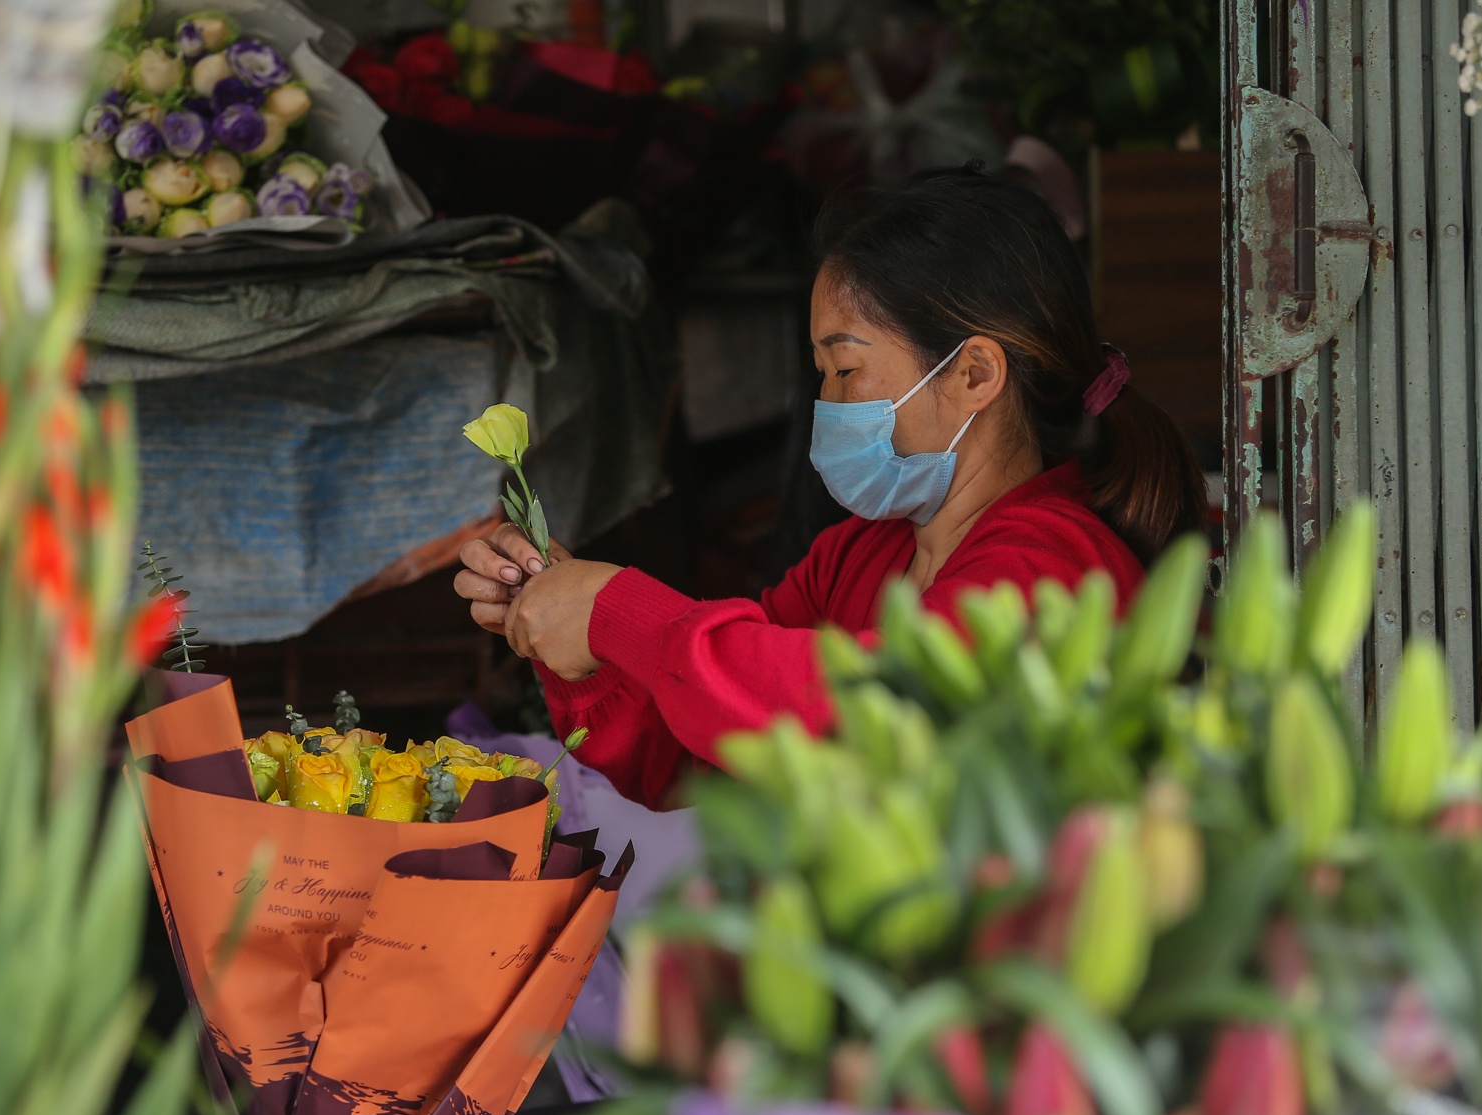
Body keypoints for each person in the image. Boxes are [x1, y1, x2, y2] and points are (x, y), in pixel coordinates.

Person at [453, 167, 1206, 810]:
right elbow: (701, 756)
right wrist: (574, 635)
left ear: (975, 374)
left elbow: (869, 714)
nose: (829, 403)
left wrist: (616, 609)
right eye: (822, 373)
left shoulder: (1054, 567)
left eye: (846, 369)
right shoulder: (856, 557)